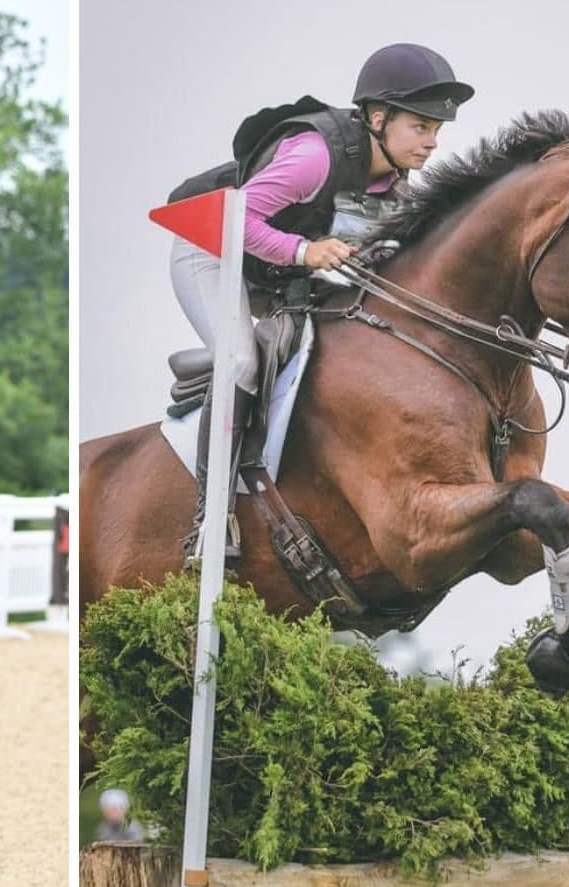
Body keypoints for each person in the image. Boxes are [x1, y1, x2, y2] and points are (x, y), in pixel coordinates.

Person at [167, 43, 474, 561]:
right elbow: (234, 222)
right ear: (377, 118)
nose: (432, 143)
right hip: (209, 248)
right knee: (240, 362)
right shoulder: (315, 156)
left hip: (272, 267)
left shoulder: (394, 187)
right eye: (421, 127)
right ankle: (210, 518)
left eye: (437, 130)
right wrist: (304, 251)